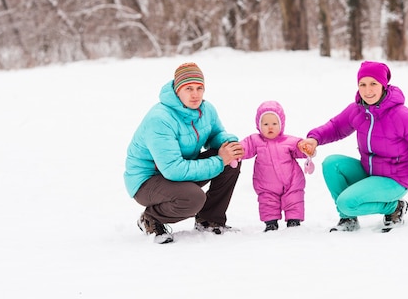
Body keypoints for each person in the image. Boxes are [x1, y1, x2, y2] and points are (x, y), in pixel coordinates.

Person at [298, 61, 408, 233]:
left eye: (373, 83)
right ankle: (348, 219)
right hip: (369, 172)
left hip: (394, 180)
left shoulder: (401, 116)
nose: (368, 90)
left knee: (346, 203)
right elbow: (336, 127)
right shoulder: (358, 110)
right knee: (331, 163)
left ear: (384, 85)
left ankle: (393, 207)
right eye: (362, 84)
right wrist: (314, 139)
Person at [124, 62, 244, 244]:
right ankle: (151, 218)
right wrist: (220, 160)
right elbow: (173, 170)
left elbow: (215, 135)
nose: (195, 94)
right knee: (193, 198)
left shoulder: (206, 109)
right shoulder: (160, 119)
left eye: (199, 88)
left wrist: (229, 144)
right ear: (177, 91)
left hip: (179, 170)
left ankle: (209, 220)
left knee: (231, 159)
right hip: (147, 180)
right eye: (188, 88)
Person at [238, 100, 311, 232]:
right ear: (258, 125)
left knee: (294, 199)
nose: (270, 127)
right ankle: (270, 223)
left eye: (274, 123)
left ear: (281, 124)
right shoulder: (255, 140)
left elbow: (300, 148)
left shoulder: (289, 141)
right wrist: (236, 151)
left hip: (291, 181)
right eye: (265, 124)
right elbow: (244, 147)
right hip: (266, 183)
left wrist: (306, 148)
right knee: (267, 201)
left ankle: (294, 220)